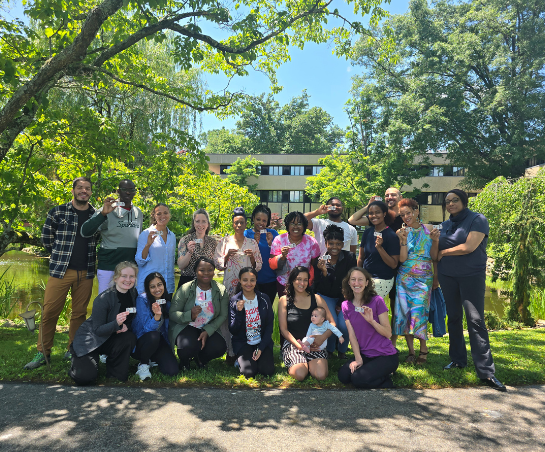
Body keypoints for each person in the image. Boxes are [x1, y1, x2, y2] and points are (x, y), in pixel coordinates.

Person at [431, 189, 506, 392]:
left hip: (471, 276)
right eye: (447, 201)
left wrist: (444, 252)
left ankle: (486, 372)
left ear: (463, 201)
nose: (451, 204)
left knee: (475, 319)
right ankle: (457, 360)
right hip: (448, 276)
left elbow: (469, 246)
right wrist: (436, 244)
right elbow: (434, 253)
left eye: (455, 200)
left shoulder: (477, 219)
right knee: (453, 318)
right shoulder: (445, 225)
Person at [24, 177, 99, 370]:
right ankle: (42, 352)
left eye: (88, 188)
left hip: (86, 272)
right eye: (80, 188)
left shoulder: (95, 215)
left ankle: (72, 349)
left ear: (91, 192)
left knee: (79, 314)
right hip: (60, 271)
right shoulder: (57, 212)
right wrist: (60, 257)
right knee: (49, 312)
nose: (84, 191)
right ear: (73, 190)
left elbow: (98, 239)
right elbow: (47, 240)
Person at [68, 261, 138, 385]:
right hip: (90, 340)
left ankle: (114, 372)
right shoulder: (103, 299)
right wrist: (116, 324)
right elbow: (97, 330)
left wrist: (125, 327)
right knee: (85, 378)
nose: (128, 280)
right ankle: (76, 358)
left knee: (129, 337)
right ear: (115, 278)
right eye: (124, 276)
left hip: (110, 337)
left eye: (131, 276)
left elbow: (131, 317)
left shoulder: (133, 293)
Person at [393, 199, 439, 364]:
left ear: (416, 211)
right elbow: (403, 259)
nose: (406, 217)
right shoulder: (401, 232)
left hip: (424, 278)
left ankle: (423, 349)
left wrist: (436, 241)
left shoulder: (430, 229)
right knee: (405, 313)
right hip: (404, 278)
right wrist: (403, 240)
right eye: (402, 215)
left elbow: (434, 257)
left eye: (408, 213)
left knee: (419, 314)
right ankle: (411, 352)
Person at [338, 268, 399, 389]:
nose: (357, 283)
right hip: (366, 355)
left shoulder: (377, 301)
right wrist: (358, 359)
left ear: (366, 283)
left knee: (358, 379)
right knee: (344, 376)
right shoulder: (346, 305)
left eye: (360, 280)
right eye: (353, 280)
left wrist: (372, 321)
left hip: (385, 355)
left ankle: (386, 378)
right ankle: (375, 373)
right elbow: (352, 335)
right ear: (349, 283)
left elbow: (388, 333)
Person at [214, 207, 262, 361]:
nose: (239, 225)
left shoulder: (252, 242)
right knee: (229, 317)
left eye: (242, 222)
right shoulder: (225, 241)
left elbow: (259, 266)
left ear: (246, 223)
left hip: (247, 286)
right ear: (233, 224)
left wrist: (253, 258)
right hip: (229, 285)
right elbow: (218, 264)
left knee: (247, 315)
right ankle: (230, 351)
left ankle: (245, 348)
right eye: (236, 223)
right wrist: (226, 256)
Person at [81, 179, 143, 294]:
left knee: (126, 304)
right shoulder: (107, 209)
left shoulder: (138, 213)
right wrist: (103, 214)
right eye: (124, 190)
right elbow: (85, 231)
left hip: (130, 269)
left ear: (135, 192)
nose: (128, 193)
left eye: (131, 190)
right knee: (105, 301)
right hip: (109, 267)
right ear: (118, 191)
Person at [169, 258, 229, 371]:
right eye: (202, 270)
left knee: (219, 347)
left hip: (208, 326)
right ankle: (184, 362)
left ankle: (200, 358)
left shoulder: (221, 290)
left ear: (214, 271)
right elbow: (172, 313)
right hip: (187, 325)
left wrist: (208, 330)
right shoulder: (185, 288)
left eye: (210, 270)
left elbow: (223, 315)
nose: (206, 273)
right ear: (195, 272)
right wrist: (189, 315)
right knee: (186, 346)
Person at [278, 266, 335, 381]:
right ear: (292, 280)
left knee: (320, 375)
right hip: (294, 344)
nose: (302, 283)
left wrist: (322, 338)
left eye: (305, 280)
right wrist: (299, 346)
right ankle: (301, 363)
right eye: (298, 279)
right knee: (299, 374)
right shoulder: (284, 300)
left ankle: (311, 364)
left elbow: (332, 323)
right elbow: (283, 329)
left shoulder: (316, 299)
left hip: (314, 344)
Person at [312, 224, 357, 359]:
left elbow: (351, 281)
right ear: (325, 243)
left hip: (345, 297)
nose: (334, 247)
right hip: (326, 296)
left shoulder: (349, 258)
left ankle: (342, 351)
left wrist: (342, 301)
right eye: (331, 243)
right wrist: (324, 272)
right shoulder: (319, 261)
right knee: (332, 324)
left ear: (343, 244)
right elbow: (320, 286)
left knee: (344, 325)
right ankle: (330, 350)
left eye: (338, 244)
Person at [229, 267, 275, 378]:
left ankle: (259, 358)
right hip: (243, 343)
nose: (248, 283)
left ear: (256, 281)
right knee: (249, 372)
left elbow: (269, 326)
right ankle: (241, 359)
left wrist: (261, 348)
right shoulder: (234, 300)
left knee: (267, 371)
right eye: (245, 280)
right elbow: (233, 330)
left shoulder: (264, 299)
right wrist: (239, 312)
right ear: (240, 281)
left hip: (261, 342)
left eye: (252, 280)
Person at [132, 272, 178, 380]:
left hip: (160, 341)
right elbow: (146, 329)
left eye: (159, 284)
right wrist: (157, 316)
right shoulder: (142, 300)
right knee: (154, 336)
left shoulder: (166, 301)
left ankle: (153, 359)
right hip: (143, 341)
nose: (157, 289)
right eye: (152, 287)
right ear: (148, 289)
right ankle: (143, 364)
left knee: (172, 371)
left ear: (164, 285)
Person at [269, 211, 321, 297]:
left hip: (304, 284)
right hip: (284, 283)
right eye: (292, 223)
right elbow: (272, 263)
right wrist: (282, 256)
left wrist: (310, 280)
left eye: (299, 223)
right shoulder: (279, 240)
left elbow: (314, 263)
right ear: (287, 225)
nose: (296, 226)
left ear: (304, 225)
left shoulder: (311, 242)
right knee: (285, 308)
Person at [356, 200, 400, 298]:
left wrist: (380, 248)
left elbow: (394, 264)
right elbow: (361, 257)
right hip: (366, 278)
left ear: (384, 214)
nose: (374, 216)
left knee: (367, 306)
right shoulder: (367, 232)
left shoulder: (391, 235)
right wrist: (358, 275)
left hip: (382, 279)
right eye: (371, 213)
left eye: (377, 212)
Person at [135, 203, 176, 295]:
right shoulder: (145, 234)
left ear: (169, 215)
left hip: (167, 288)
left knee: (166, 310)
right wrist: (148, 245)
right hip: (148, 288)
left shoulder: (172, 236)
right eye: (158, 213)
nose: (162, 216)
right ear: (154, 216)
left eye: (165, 213)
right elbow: (140, 261)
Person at [244, 204, 279, 305]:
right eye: (258, 219)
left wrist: (270, 243)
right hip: (250, 280)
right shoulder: (247, 234)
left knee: (266, 311)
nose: (261, 223)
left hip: (270, 280)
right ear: (253, 219)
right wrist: (254, 242)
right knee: (251, 311)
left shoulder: (273, 233)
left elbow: (279, 255)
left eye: (264, 221)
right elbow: (243, 255)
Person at [177, 208, 217, 289]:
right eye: (197, 221)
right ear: (193, 223)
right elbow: (181, 266)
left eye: (203, 221)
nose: (200, 225)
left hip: (206, 284)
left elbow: (217, 264)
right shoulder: (185, 240)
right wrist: (189, 252)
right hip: (187, 284)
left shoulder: (213, 242)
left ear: (208, 224)